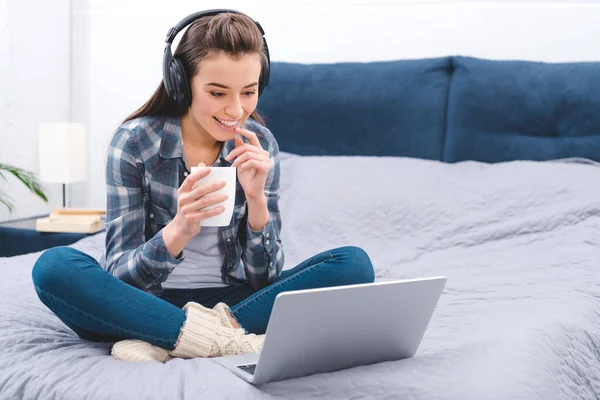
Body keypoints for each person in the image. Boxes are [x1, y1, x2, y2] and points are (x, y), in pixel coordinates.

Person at [31, 9, 375, 363]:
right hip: (145, 302)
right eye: (217, 92)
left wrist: (256, 201)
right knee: (54, 268)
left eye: (249, 92)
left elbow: (265, 278)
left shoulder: (259, 143)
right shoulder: (134, 143)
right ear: (182, 84)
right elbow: (121, 277)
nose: (235, 109)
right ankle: (223, 341)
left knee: (353, 265)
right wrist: (179, 229)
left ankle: (169, 338)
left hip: (236, 301)